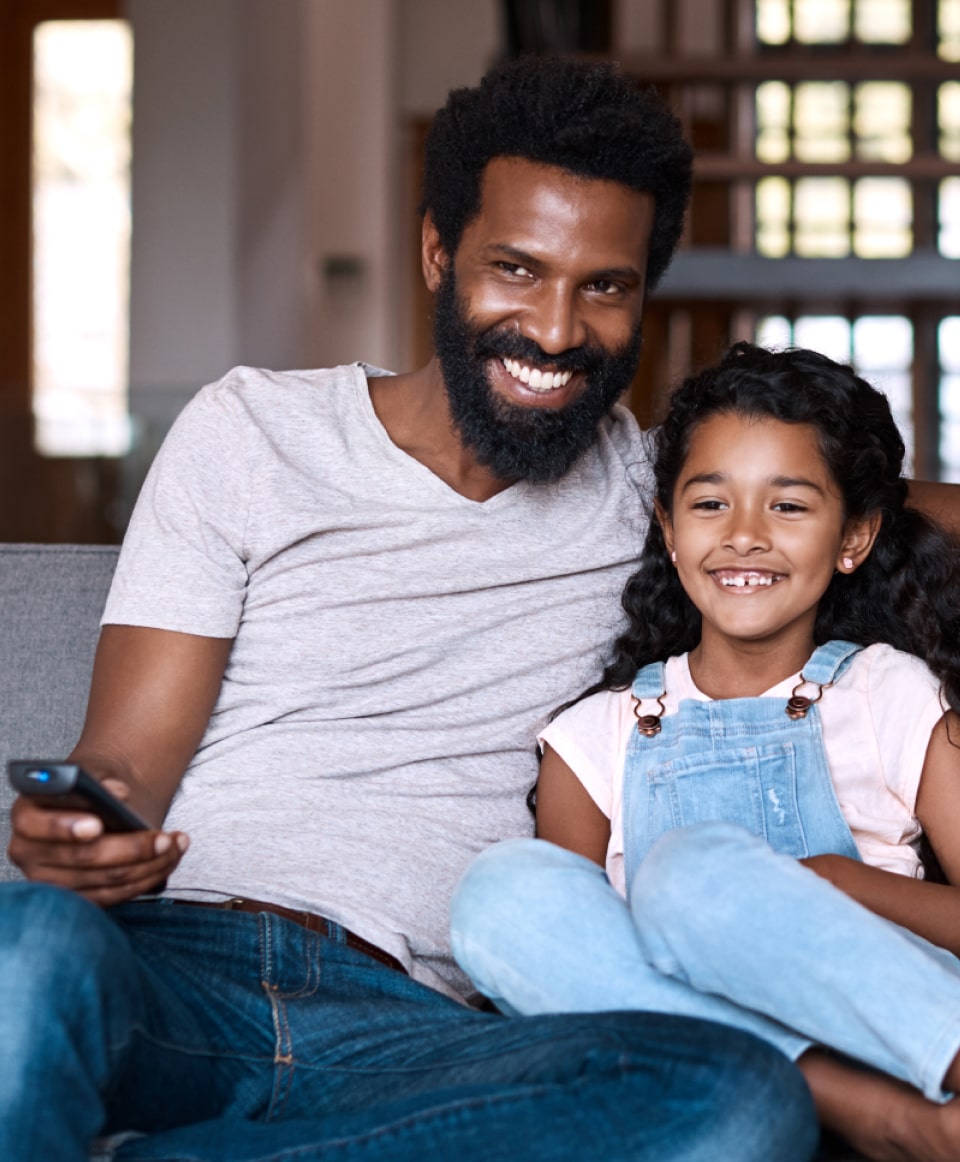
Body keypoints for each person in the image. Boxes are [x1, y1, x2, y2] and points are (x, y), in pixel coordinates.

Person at [0, 59, 820, 1162]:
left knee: (739, 1099)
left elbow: (862, 496)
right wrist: (80, 839)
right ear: (440, 252)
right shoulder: (251, 433)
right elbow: (129, 767)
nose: (557, 328)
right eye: (516, 270)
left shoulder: (670, 497)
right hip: (171, 974)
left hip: (421, 1034)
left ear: (643, 295)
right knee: (24, 948)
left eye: (605, 287)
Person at [450, 342, 960, 1162]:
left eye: (789, 507)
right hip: (704, 1079)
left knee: (694, 878)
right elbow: (579, 967)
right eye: (712, 504)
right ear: (669, 528)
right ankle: (858, 1110)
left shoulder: (884, 692)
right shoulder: (597, 737)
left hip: (908, 1043)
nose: (745, 538)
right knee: (498, 894)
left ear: (853, 536)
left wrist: (836, 885)